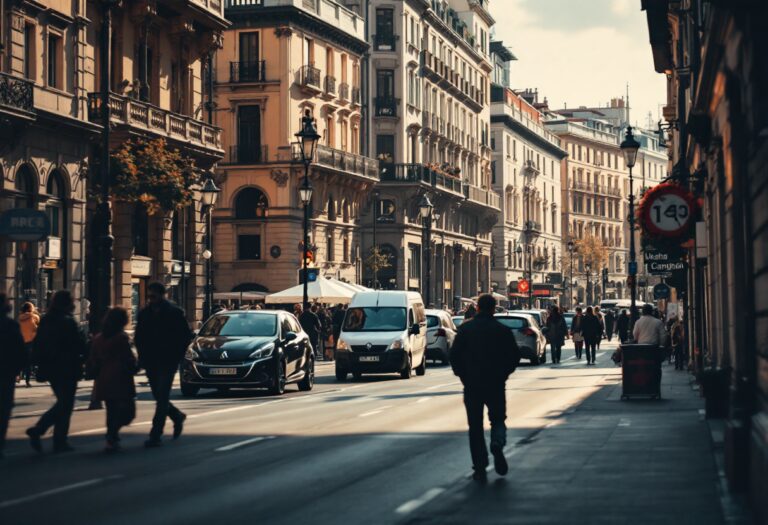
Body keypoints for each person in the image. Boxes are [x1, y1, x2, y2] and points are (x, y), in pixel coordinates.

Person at [450, 294, 520, 482]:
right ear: (494, 309)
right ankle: (497, 442)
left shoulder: (465, 330)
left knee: (475, 426)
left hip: (472, 384)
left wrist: (463, 375)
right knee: (498, 419)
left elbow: (454, 355)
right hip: (496, 383)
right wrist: (503, 374)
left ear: (478, 308)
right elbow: (514, 357)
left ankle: (480, 466)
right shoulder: (502, 330)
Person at [27, 290, 88, 453]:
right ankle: (54, 437)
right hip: (68, 367)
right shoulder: (68, 321)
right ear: (68, 303)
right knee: (66, 404)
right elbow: (79, 344)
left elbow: (38, 344)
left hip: (51, 368)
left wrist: (38, 364)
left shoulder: (46, 320)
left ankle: (48, 434)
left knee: (63, 402)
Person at [134, 282, 193, 448]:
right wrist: (141, 357)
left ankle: (155, 434)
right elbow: (139, 338)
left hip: (168, 361)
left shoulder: (174, 313)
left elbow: (185, 336)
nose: (151, 299)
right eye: (149, 296)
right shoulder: (144, 314)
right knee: (159, 396)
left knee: (162, 398)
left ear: (162, 295)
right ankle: (177, 416)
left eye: (154, 296)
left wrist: (177, 356)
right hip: (151, 361)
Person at [87, 307, 136, 453]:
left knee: (111, 410)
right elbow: (128, 358)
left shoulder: (98, 338)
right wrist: (135, 365)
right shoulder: (121, 338)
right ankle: (112, 434)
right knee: (128, 413)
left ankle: (111, 438)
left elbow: (93, 359)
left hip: (104, 378)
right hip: (120, 377)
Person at [0, 293, 27, 459]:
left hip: (7, 371)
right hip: (5, 373)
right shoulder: (9, 325)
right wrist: (19, 369)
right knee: (3, 408)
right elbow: (19, 350)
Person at [18, 302, 39, 387]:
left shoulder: (19, 318)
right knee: (29, 363)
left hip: (21, 342)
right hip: (31, 342)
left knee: (21, 360)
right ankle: (27, 381)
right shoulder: (34, 317)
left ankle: (18, 376)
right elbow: (35, 328)